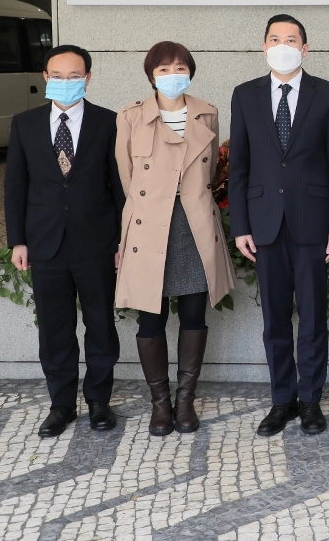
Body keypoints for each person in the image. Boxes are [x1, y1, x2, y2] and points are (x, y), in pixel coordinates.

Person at [229, 15, 329, 437]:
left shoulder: (328, 94)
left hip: (313, 222)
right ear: (264, 46)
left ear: (305, 48)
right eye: (275, 39)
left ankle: (311, 400)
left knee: (313, 317)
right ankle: (282, 400)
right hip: (264, 223)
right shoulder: (245, 95)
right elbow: (239, 166)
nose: (283, 46)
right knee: (275, 319)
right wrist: (240, 225)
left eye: (291, 39)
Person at [115, 41, 236, 437]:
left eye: (179, 68)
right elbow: (127, 178)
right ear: (151, 75)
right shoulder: (131, 117)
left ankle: (185, 401)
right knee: (151, 318)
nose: (172, 75)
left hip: (193, 223)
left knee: (194, 314)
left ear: (190, 72)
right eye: (163, 69)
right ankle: (160, 404)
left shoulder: (207, 112)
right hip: (149, 224)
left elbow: (208, 173)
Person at [4, 45, 124, 438]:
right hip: (45, 242)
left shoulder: (108, 122)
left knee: (100, 325)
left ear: (88, 78)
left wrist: (121, 240)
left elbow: (119, 187)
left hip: (96, 242)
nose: (66, 82)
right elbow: (15, 187)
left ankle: (99, 401)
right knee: (54, 329)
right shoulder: (25, 123)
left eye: (74, 77)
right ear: (45, 77)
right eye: (58, 76)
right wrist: (18, 241)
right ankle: (61, 405)